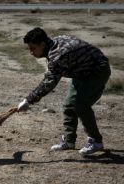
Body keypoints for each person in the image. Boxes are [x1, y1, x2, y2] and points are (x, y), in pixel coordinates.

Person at [17, 27, 111, 155]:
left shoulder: (58, 55)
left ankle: (96, 141)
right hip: (81, 72)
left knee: (81, 106)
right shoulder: (54, 43)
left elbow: (49, 82)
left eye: (33, 48)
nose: (31, 52)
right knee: (69, 105)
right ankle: (69, 141)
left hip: (97, 71)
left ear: (43, 44)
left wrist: (28, 100)